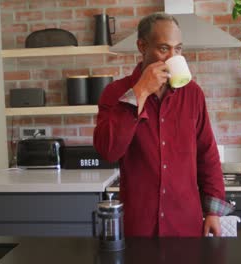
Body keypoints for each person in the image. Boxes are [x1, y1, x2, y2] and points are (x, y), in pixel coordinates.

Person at [93, 12, 233, 237]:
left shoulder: (193, 94)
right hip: (138, 227)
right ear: (142, 46)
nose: (172, 57)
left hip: (185, 224)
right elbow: (109, 150)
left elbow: (207, 154)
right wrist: (140, 92)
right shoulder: (115, 93)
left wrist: (213, 213)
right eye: (163, 48)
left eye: (177, 49)